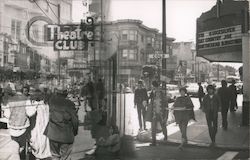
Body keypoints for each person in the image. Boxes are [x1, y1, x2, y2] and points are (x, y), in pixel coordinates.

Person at [45, 88, 79, 160]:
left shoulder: (52, 101)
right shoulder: (69, 104)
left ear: (57, 94)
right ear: (66, 94)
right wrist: (75, 131)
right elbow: (75, 120)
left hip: (53, 134)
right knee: (65, 157)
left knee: (54, 155)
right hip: (66, 135)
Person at [148, 81, 168, 146]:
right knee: (153, 128)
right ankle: (154, 142)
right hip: (154, 114)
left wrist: (166, 116)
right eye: (156, 92)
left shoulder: (163, 97)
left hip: (161, 114)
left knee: (163, 126)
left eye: (158, 92)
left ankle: (165, 136)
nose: (157, 93)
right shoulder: (153, 96)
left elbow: (166, 107)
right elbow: (150, 103)